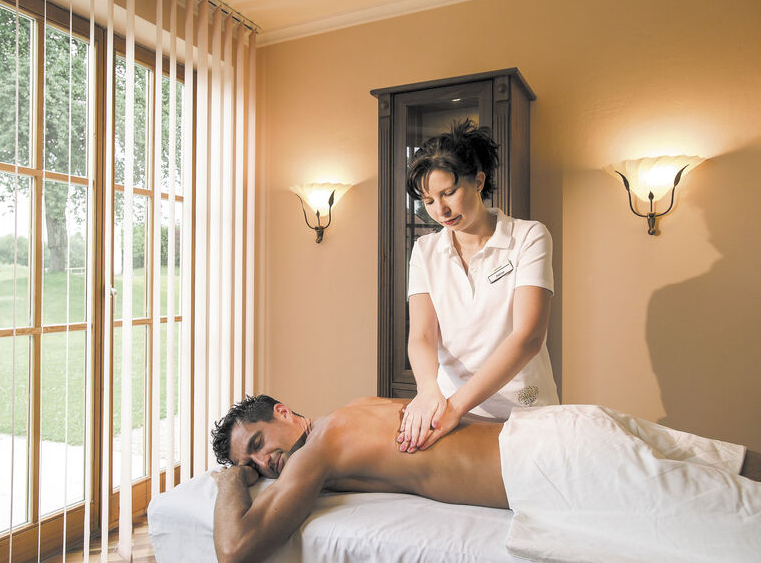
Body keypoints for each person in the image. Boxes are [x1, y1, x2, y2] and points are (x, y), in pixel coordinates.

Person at [210, 394, 761, 563]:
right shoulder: (356, 409)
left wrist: (231, 482)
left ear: (284, 413)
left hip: (549, 462)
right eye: (252, 465)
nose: (265, 464)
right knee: (725, 466)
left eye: (257, 446)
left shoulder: (317, 449)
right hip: (562, 427)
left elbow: (237, 550)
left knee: (729, 523)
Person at [399, 119, 558, 453]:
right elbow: (422, 335)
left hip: (523, 410)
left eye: (448, 193)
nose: (440, 210)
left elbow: (528, 337)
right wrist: (428, 392)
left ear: (478, 181)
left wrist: (456, 407)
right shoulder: (425, 251)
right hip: (451, 414)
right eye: (428, 200)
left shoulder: (528, 236)